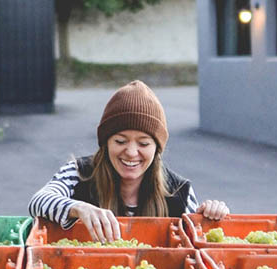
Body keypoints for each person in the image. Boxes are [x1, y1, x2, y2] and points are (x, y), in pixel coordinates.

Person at [28, 80, 229, 243]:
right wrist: (79, 208)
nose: (131, 152)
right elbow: (37, 202)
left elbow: (200, 243)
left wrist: (212, 217)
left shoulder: (180, 192)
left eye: (143, 143)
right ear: (106, 143)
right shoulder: (78, 172)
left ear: (157, 148)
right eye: (120, 141)